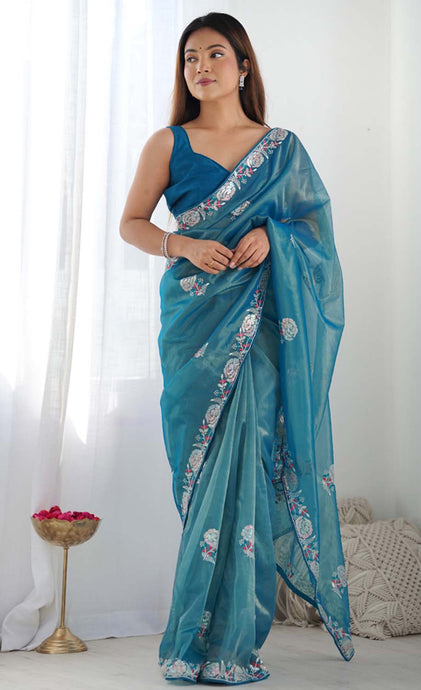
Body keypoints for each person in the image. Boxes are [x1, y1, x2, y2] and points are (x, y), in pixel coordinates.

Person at [119, 11, 355, 685]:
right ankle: (192, 641)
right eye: (190, 56)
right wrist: (184, 245)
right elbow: (132, 223)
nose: (201, 66)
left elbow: (317, 233)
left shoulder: (281, 149)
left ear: (244, 66)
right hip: (196, 325)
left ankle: (232, 646)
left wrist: (273, 238)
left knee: (249, 467)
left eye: (215, 54)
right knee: (205, 482)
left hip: (263, 332)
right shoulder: (168, 143)